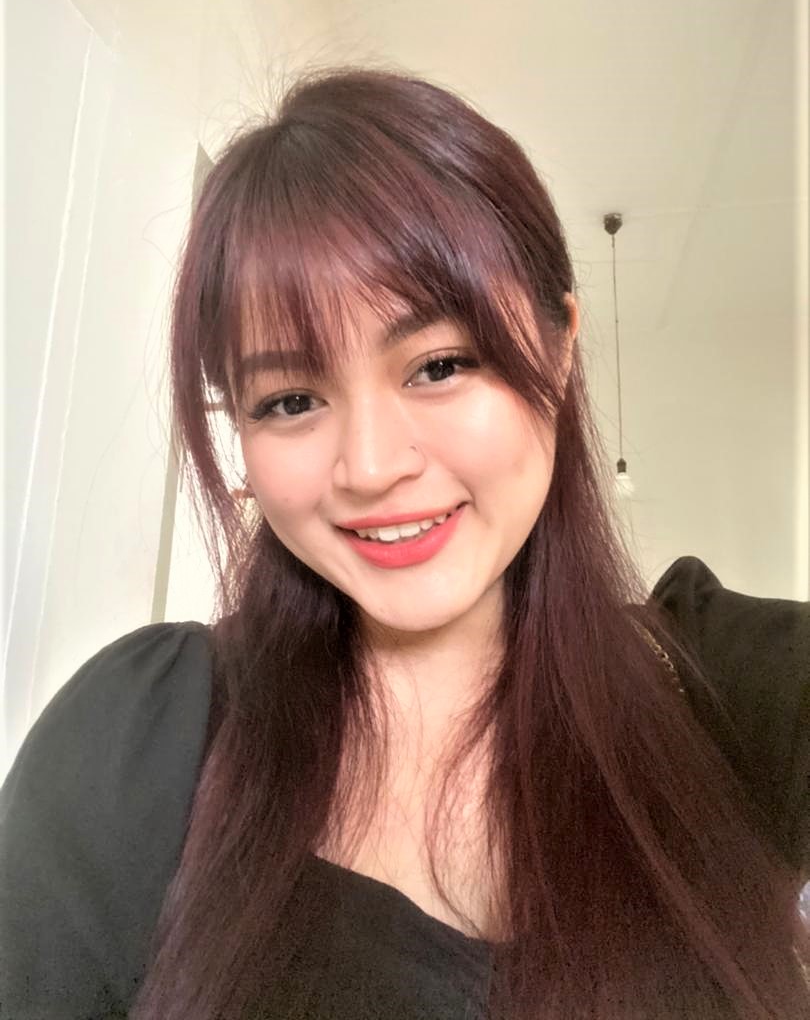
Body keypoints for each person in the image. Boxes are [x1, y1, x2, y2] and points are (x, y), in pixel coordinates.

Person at [1, 65, 808, 1020]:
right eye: (290, 400)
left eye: (439, 365)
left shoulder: (717, 683)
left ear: (559, 347)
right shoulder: (137, 738)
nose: (372, 467)